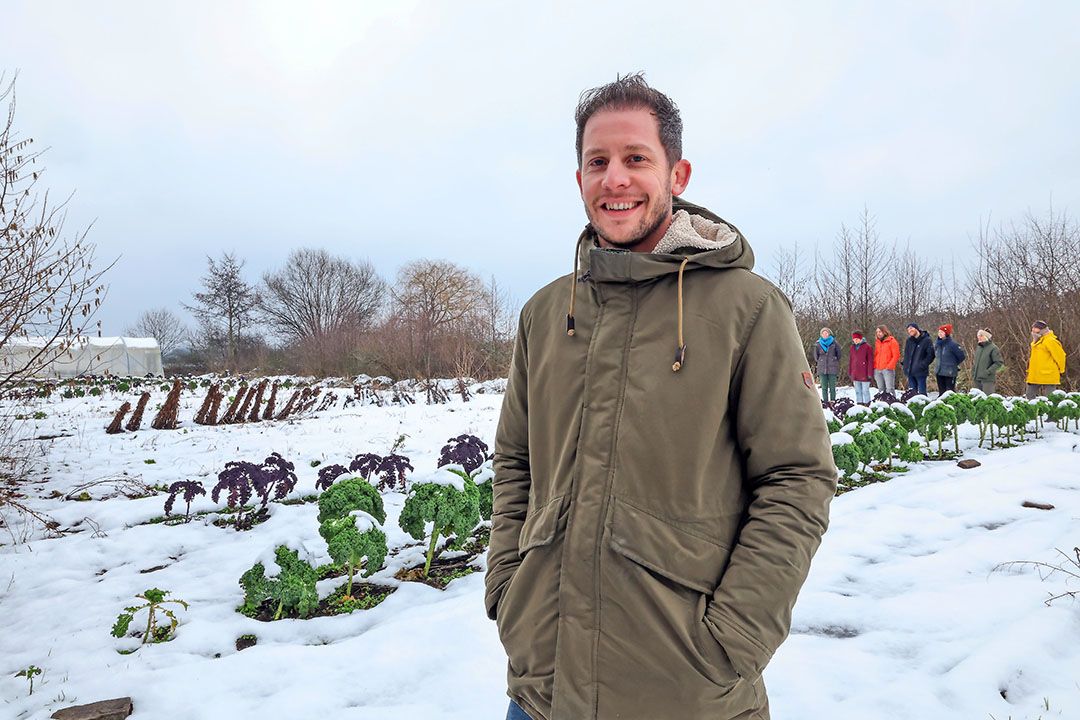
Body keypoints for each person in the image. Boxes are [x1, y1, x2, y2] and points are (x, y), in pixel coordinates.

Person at [485, 74, 837, 720]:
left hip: (688, 692)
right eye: (598, 162)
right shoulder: (544, 315)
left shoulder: (747, 308)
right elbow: (513, 465)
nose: (614, 179)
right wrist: (509, 595)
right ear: (578, 179)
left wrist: (733, 639)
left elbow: (798, 478)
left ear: (678, 174)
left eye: (636, 159)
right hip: (543, 692)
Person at [1025, 320, 1066, 399]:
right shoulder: (1037, 341)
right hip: (1035, 374)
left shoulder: (1050, 341)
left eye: (1036, 328)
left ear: (1043, 330)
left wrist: (1061, 370)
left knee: (1050, 399)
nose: (1033, 330)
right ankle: (1036, 411)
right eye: (1033, 328)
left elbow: (1060, 356)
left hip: (1048, 374)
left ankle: (1050, 411)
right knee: (1029, 396)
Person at [902, 322, 935, 395]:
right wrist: (905, 364)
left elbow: (931, 355)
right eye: (908, 330)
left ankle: (924, 405)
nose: (910, 331)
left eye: (911, 328)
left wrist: (923, 365)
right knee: (912, 394)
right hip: (910, 371)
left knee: (922, 393)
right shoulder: (909, 341)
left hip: (921, 371)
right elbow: (907, 354)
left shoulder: (927, 340)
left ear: (916, 328)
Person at [933, 324, 966, 395]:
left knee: (949, 393)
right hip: (939, 371)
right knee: (941, 393)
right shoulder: (937, 344)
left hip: (949, 372)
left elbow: (962, 356)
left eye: (942, 332)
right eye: (939, 332)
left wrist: (953, 364)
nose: (940, 334)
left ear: (946, 333)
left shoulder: (953, 345)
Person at [971, 328, 1004, 395]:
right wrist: (973, 371)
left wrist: (988, 372)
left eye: (981, 336)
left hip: (987, 380)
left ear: (986, 337)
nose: (979, 338)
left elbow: (998, 362)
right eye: (978, 336)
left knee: (987, 400)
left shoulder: (993, 348)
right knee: (976, 400)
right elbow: (975, 362)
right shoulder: (979, 348)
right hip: (976, 379)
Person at [814, 327, 840, 402]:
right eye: (823, 333)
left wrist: (833, 360)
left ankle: (833, 401)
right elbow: (816, 356)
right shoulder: (817, 344)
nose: (825, 334)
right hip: (822, 368)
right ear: (821, 334)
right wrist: (821, 361)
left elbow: (839, 354)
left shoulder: (834, 343)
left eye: (826, 333)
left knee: (832, 387)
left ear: (829, 334)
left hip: (832, 368)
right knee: (824, 387)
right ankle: (825, 401)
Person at [873, 325, 900, 395]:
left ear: (885, 332)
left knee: (889, 389)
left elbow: (896, 355)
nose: (878, 333)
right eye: (877, 332)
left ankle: (891, 403)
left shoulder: (892, 341)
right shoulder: (877, 342)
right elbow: (876, 355)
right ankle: (882, 404)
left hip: (887, 369)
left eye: (880, 331)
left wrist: (889, 366)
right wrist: (874, 366)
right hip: (877, 369)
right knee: (881, 389)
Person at [848, 331, 873, 403]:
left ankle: (867, 404)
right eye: (854, 339)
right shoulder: (852, 347)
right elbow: (851, 360)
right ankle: (859, 404)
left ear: (861, 338)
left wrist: (870, 373)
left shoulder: (867, 347)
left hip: (864, 373)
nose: (855, 340)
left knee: (865, 391)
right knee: (857, 391)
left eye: (857, 339)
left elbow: (870, 361)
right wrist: (850, 372)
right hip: (855, 373)